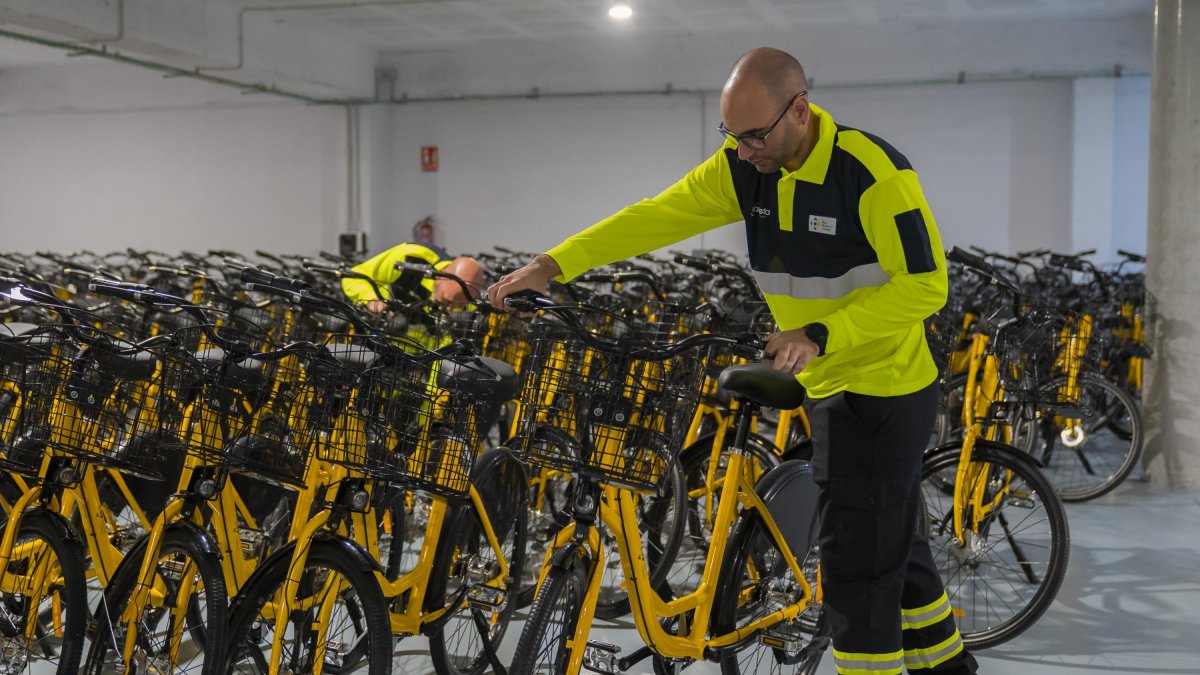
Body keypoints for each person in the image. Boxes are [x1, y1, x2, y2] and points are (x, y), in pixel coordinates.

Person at [489, 47, 977, 675]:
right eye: (732, 134)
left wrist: (823, 333)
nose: (743, 150)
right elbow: (656, 215)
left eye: (754, 134)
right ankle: (949, 668)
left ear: (799, 109)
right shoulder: (745, 168)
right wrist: (551, 265)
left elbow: (924, 285)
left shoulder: (872, 172)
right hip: (826, 385)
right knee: (892, 547)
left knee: (857, 575)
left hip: (883, 390)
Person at [341, 241, 484, 311]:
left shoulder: (466, 296)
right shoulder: (411, 255)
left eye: (459, 305)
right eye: (447, 301)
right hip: (383, 333)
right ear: (441, 277)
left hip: (421, 349)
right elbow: (354, 276)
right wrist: (372, 299)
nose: (449, 309)